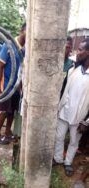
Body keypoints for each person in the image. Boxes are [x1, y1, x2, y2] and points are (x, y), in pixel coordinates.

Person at [53, 38, 89, 177]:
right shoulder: (73, 69)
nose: (77, 52)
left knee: (74, 141)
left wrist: (86, 121)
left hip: (80, 117)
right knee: (59, 137)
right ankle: (58, 159)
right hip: (64, 111)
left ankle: (68, 162)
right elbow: (63, 90)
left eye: (81, 49)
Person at [0, 23, 26, 144]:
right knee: (4, 111)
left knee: (13, 111)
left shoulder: (25, 48)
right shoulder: (9, 45)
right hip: (6, 86)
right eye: (27, 30)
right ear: (21, 30)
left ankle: (7, 131)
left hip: (17, 88)